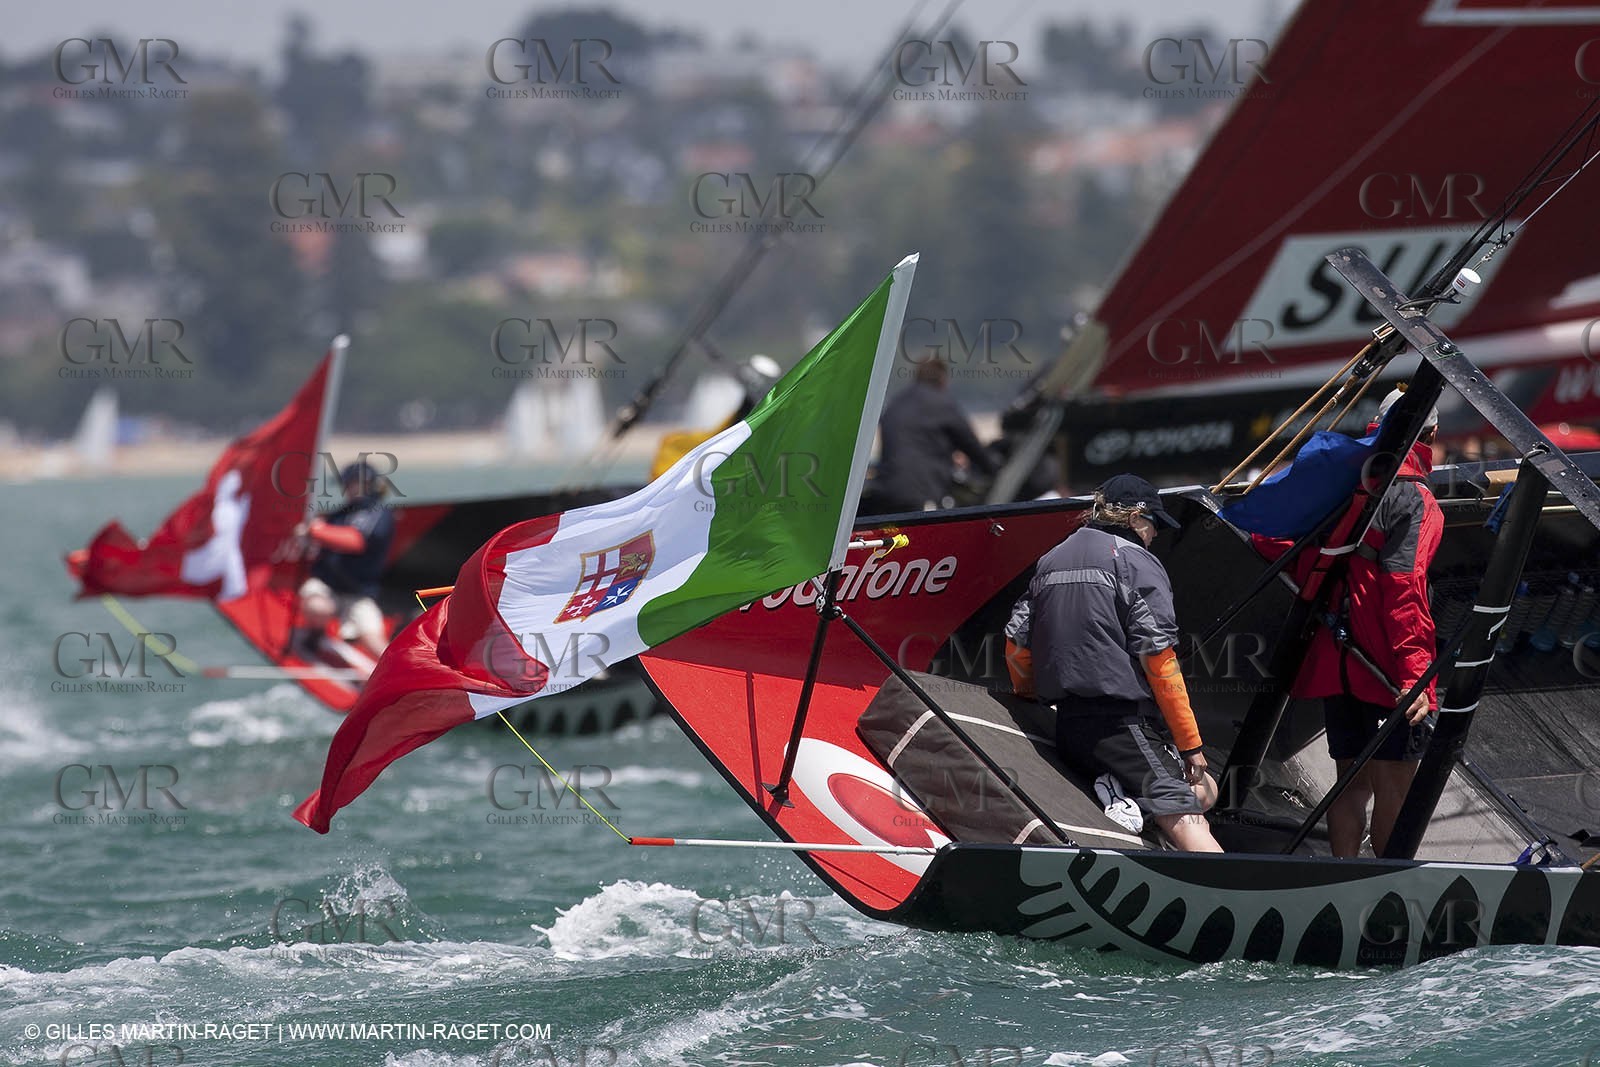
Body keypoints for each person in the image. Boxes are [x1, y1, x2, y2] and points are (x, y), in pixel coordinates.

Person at [1004, 474, 1223, 852]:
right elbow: (1160, 661)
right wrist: (1190, 746)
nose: (1154, 535)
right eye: (1154, 524)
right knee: (1191, 818)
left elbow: (1015, 642)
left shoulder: (1051, 559)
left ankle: (1126, 798)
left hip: (1070, 728)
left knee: (1206, 790)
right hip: (1122, 727)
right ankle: (1231, 899)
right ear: (1137, 517)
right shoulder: (1138, 562)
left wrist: (1028, 696)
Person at [1296, 387, 1443, 858]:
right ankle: (1385, 898)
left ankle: (1337, 879)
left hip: (1338, 660)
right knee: (1393, 788)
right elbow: (1405, 591)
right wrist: (1415, 676)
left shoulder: (1352, 482)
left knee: (1349, 785)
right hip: (1385, 670)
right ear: (1433, 435)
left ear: (1374, 430)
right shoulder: (1415, 499)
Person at [294, 461, 397, 671]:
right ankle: (315, 636)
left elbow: (355, 541)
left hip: (358, 592)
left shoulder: (380, 514)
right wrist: (306, 535)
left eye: (352, 484)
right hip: (328, 586)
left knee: (377, 643)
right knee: (318, 606)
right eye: (347, 484)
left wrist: (316, 531)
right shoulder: (340, 514)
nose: (348, 489)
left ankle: (399, 678)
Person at [871, 357, 997, 512]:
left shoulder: (896, 403)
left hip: (888, 490)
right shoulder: (941, 404)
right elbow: (970, 444)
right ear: (943, 379)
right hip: (922, 492)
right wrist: (994, 468)